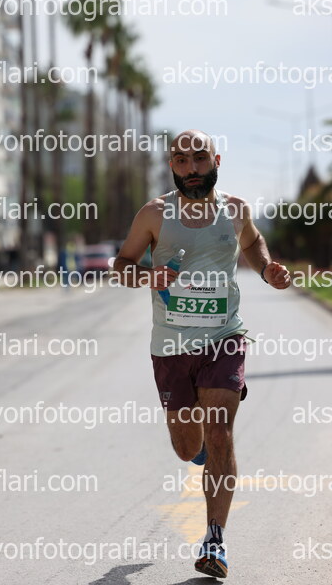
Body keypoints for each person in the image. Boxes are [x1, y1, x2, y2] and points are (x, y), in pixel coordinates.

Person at [113, 129, 291, 579]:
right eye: (180, 160)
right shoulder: (154, 214)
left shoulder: (236, 210)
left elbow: (252, 243)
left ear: (216, 160)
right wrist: (146, 277)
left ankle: (215, 538)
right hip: (171, 346)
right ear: (171, 166)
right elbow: (122, 265)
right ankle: (198, 452)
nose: (191, 168)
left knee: (220, 432)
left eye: (199, 158)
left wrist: (267, 269)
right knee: (187, 446)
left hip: (224, 337)